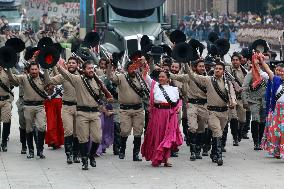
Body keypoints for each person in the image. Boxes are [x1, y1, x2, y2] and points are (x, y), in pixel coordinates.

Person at [56, 61, 108, 170]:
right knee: (83, 139)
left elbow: (101, 97)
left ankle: (91, 155)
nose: (91, 70)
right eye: (88, 68)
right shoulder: (78, 79)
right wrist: (57, 65)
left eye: (92, 68)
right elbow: (66, 74)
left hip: (95, 113)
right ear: (83, 70)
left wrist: (106, 107)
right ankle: (84, 160)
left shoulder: (97, 81)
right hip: (82, 113)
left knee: (97, 138)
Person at [187, 60, 237, 166]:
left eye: (220, 69)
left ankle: (214, 153)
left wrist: (233, 102)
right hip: (212, 112)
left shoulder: (228, 83)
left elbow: (232, 95)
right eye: (216, 68)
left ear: (223, 71)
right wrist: (185, 63)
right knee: (217, 130)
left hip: (224, 112)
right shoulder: (208, 79)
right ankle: (219, 157)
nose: (217, 70)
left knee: (218, 133)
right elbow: (193, 76)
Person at [141, 63, 183, 167]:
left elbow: (178, 102)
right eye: (159, 76)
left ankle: (167, 159)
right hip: (158, 114)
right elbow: (145, 77)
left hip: (169, 114)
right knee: (157, 135)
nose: (160, 78)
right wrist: (145, 65)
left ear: (168, 78)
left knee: (167, 136)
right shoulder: (154, 85)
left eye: (163, 76)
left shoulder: (174, 89)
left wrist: (179, 108)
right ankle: (156, 157)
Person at [106, 59, 147, 162]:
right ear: (127, 69)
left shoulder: (140, 77)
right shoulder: (121, 77)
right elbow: (110, 76)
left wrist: (145, 62)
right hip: (125, 109)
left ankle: (136, 154)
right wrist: (111, 64)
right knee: (124, 131)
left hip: (138, 109)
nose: (134, 70)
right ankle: (122, 150)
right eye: (132, 68)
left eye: (135, 68)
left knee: (138, 132)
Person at [170, 59, 209, 161]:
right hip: (192, 105)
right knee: (192, 127)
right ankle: (192, 152)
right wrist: (165, 72)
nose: (202, 68)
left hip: (203, 106)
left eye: (203, 66)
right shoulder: (188, 77)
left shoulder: (207, 78)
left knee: (201, 129)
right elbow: (175, 76)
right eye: (200, 66)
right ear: (195, 67)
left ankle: (198, 150)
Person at [44, 57, 81, 164]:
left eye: (73, 63)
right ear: (67, 65)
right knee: (68, 130)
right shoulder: (63, 76)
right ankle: (69, 155)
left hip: (79, 108)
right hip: (66, 107)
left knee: (77, 133)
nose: (71, 65)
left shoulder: (82, 76)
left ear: (77, 65)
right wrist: (46, 69)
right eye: (69, 63)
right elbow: (49, 81)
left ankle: (76, 154)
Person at [7, 62, 47, 159]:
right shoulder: (24, 78)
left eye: (35, 69)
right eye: (32, 69)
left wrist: (46, 69)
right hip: (28, 106)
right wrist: (8, 68)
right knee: (29, 129)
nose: (34, 71)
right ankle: (31, 150)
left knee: (42, 127)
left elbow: (50, 89)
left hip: (40, 106)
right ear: (29, 70)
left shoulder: (43, 78)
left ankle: (40, 150)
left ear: (38, 69)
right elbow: (13, 78)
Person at [261, 61, 284, 159]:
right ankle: (277, 151)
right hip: (278, 109)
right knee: (276, 132)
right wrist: (261, 62)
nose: (281, 73)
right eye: (279, 71)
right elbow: (268, 71)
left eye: (282, 71)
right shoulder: (276, 80)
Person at [0, 66, 13, 152]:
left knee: (6, 121)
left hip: (6, 100)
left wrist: (9, 69)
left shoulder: (7, 72)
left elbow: (14, 81)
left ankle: (4, 142)